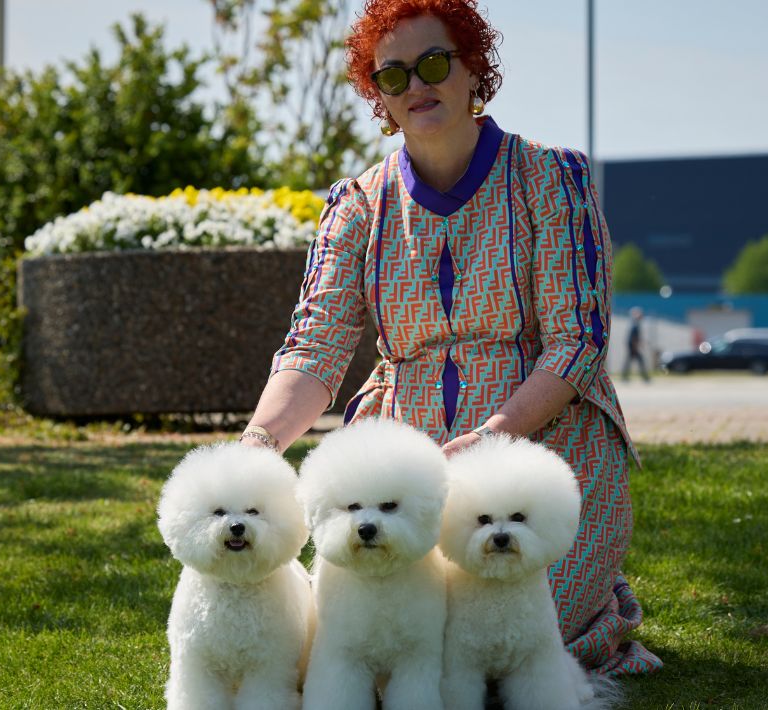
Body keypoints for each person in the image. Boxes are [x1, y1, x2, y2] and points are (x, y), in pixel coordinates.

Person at [237, 0, 660, 676]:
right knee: (379, 638)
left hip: (543, 445)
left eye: (434, 63)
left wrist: (494, 433)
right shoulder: (356, 207)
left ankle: (595, 594)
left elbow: (577, 342)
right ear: (379, 95)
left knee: (506, 638)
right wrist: (256, 447)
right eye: (392, 76)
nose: (416, 86)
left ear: (472, 70)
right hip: (405, 462)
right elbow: (314, 346)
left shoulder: (552, 179)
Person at [621, 307, 651, 383]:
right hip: (632, 346)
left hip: (632, 346)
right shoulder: (635, 325)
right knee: (639, 361)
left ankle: (624, 377)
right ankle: (645, 378)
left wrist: (640, 343)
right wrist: (635, 347)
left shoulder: (635, 324)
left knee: (629, 362)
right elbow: (634, 338)